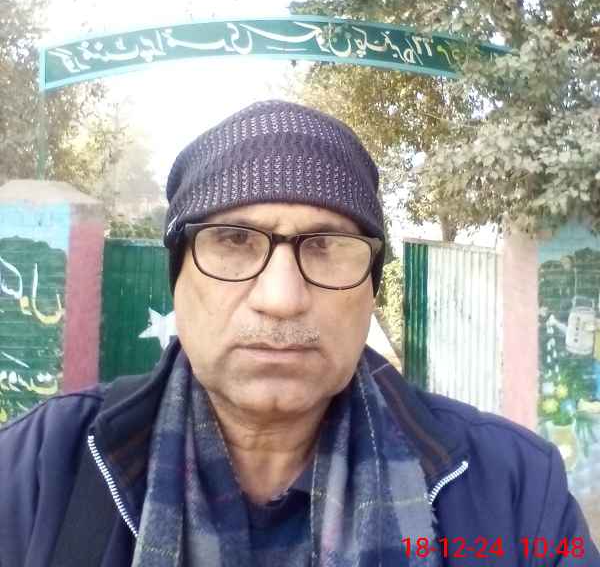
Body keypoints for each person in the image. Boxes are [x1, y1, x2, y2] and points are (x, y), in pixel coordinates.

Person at [0, 99, 598, 567]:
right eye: (234, 240)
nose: (281, 298)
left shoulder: (516, 492)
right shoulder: (36, 471)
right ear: (178, 277)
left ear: (371, 289)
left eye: (326, 246)